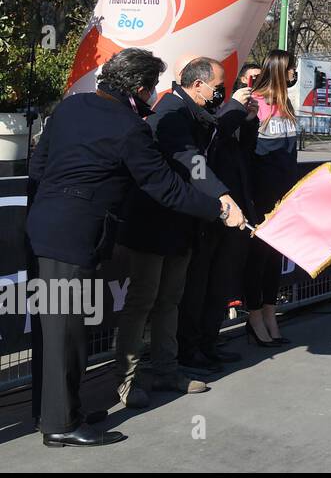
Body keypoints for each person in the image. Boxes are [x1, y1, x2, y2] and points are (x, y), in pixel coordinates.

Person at [26, 48, 244, 447]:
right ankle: (60, 425)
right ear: (141, 88)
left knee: (54, 329)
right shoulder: (129, 126)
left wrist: (43, 210)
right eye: (153, 87)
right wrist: (217, 209)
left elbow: (38, 167)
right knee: (66, 331)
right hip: (73, 234)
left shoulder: (71, 107)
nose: (154, 95)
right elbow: (163, 186)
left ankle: (56, 409)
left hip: (45, 226)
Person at [115, 57, 235, 405]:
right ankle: (127, 379)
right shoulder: (170, 114)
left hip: (181, 223)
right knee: (142, 302)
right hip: (152, 225)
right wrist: (224, 200)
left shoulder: (193, 113)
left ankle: (167, 370)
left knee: (169, 301)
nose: (221, 94)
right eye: (217, 88)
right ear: (197, 85)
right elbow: (191, 163)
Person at [178, 63, 259, 372]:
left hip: (236, 208)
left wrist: (249, 120)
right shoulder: (205, 114)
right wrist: (235, 108)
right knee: (197, 285)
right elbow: (212, 138)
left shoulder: (231, 112)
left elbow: (244, 151)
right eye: (219, 86)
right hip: (210, 212)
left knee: (221, 282)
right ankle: (190, 348)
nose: (220, 91)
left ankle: (209, 343)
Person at [245, 49, 300, 345]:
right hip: (260, 196)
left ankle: (270, 312)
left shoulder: (286, 103)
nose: (294, 73)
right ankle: (253, 316)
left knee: (275, 257)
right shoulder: (254, 103)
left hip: (285, 194)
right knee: (258, 256)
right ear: (280, 69)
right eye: (291, 68)